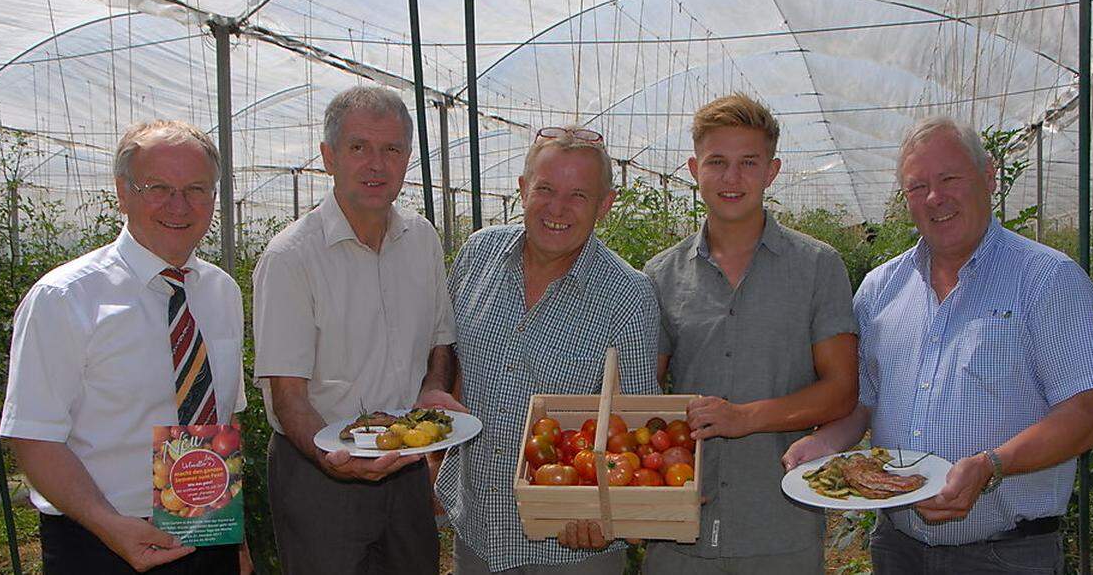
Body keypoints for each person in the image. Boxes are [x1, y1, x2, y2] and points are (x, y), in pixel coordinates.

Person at [784, 115, 1093, 573]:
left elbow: (1083, 419)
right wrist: (825, 445)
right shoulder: (881, 288)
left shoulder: (1046, 280)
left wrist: (990, 466)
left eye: (950, 178)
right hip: (898, 549)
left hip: (1005, 555)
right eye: (917, 187)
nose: (935, 198)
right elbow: (864, 403)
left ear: (988, 176)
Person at [0, 120, 245, 574]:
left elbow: (220, 418)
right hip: (101, 543)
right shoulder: (66, 298)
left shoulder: (221, 292)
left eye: (196, 188)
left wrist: (235, 535)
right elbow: (33, 435)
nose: (178, 205)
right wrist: (109, 525)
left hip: (209, 528)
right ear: (122, 191)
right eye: (158, 187)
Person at [419, 126, 660, 574]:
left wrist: (605, 508)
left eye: (578, 196)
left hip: (569, 542)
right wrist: (436, 457)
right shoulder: (477, 256)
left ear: (604, 206)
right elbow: (452, 356)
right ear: (523, 189)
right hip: (478, 525)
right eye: (545, 189)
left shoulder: (627, 295)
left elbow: (636, 422)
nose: (557, 209)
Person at [640, 93, 859, 574]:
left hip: (780, 526)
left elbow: (841, 390)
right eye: (717, 162)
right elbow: (645, 397)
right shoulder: (659, 276)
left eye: (748, 162)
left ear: (772, 170)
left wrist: (746, 417)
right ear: (694, 168)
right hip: (681, 533)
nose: (732, 178)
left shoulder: (817, 268)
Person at [252, 86, 456, 574]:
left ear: (407, 159)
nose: (376, 165)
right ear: (328, 157)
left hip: (404, 461)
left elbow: (440, 341)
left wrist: (432, 388)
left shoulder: (421, 240)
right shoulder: (291, 259)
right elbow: (288, 395)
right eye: (358, 147)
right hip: (320, 472)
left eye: (391, 150)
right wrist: (331, 457)